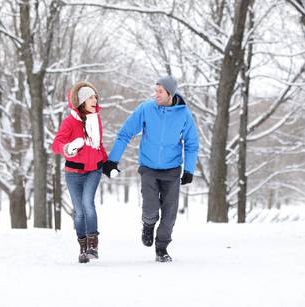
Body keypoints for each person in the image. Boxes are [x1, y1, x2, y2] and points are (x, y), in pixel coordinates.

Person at [103, 76, 199, 262]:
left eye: (160, 91)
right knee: (150, 207)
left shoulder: (184, 114)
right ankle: (148, 225)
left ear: (170, 93)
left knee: (170, 212)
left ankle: (161, 248)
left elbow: (191, 144)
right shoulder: (146, 109)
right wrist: (112, 160)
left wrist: (189, 170)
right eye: (155, 90)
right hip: (148, 167)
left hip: (172, 169)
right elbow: (125, 133)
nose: (156, 94)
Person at [52, 81, 107, 263]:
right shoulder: (69, 122)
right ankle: (83, 248)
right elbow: (56, 144)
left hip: (93, 170)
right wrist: (67, 148)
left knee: (88, 204)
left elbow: (98, 146)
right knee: (79, 212)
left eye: (95, 97)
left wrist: (108, 163)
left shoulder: (95, 119)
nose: (95, 100)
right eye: (91, 97)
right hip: (73, 173)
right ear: (82, 101)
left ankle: (93, 245)